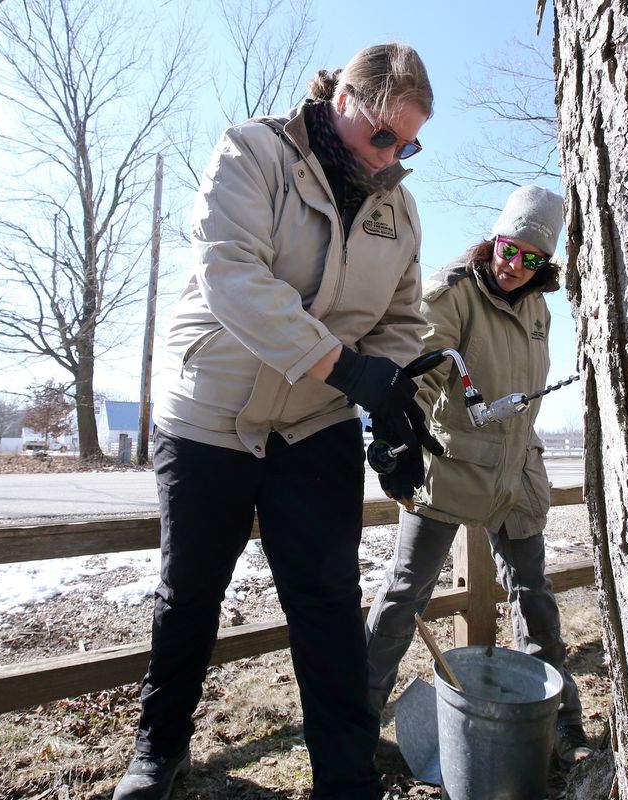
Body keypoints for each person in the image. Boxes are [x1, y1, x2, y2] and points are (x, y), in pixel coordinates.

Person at [112, 43, 440, 800]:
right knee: (190, 590)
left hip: (314, 421)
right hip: (212, 415)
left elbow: (400, 318)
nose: (391, 155)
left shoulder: (399, 208)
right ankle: (159, 751)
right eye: (382, 134)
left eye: (408, 142)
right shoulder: (252, 151)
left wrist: (388, 404)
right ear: (342, 101)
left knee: (326, 602)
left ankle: (346, 775)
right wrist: (346, 368)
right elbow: (231, 272)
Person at [364, 185, 594, 769]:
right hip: (448, 473)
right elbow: (419, 370)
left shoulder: (539, 307)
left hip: (518, 478)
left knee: (535, 599)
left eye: (531, 259)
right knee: (402, 595)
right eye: (507, 249)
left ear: (546, 264)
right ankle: (355, 722)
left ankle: (562, 725)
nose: (513, 266)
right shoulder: (453, 293)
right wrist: (399, 432)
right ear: (494, 239)